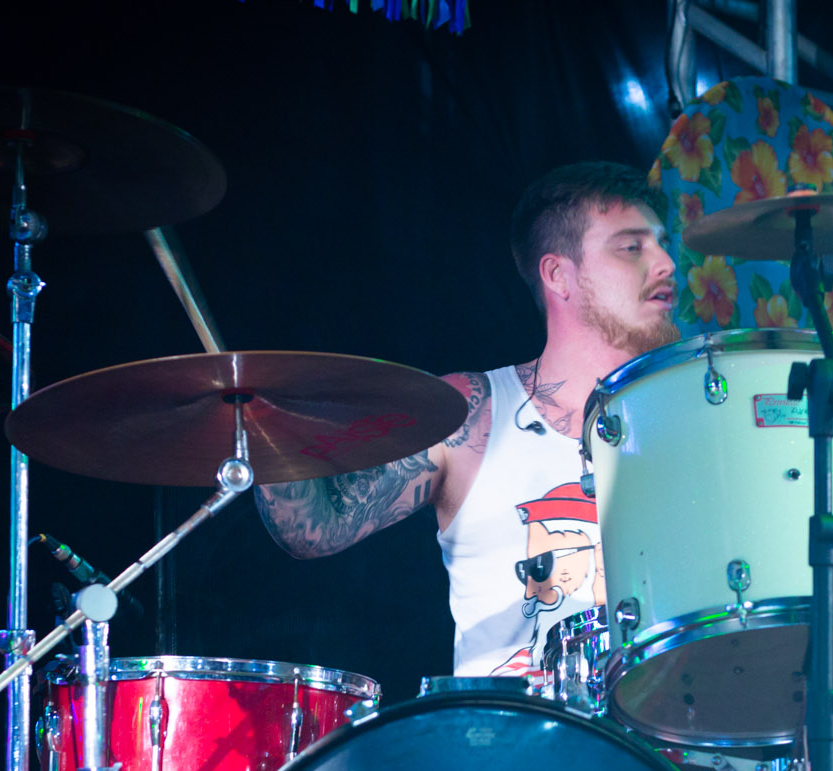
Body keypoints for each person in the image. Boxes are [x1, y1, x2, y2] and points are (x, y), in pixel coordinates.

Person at [257, 162, 680, 676]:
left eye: (662, 244)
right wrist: (260, 421)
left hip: (673, 717)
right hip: (505, 726)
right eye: (632, 247)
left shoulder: (693, 420)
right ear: (558, 275)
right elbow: (314, 529)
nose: (666, 263)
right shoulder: (472, 411)